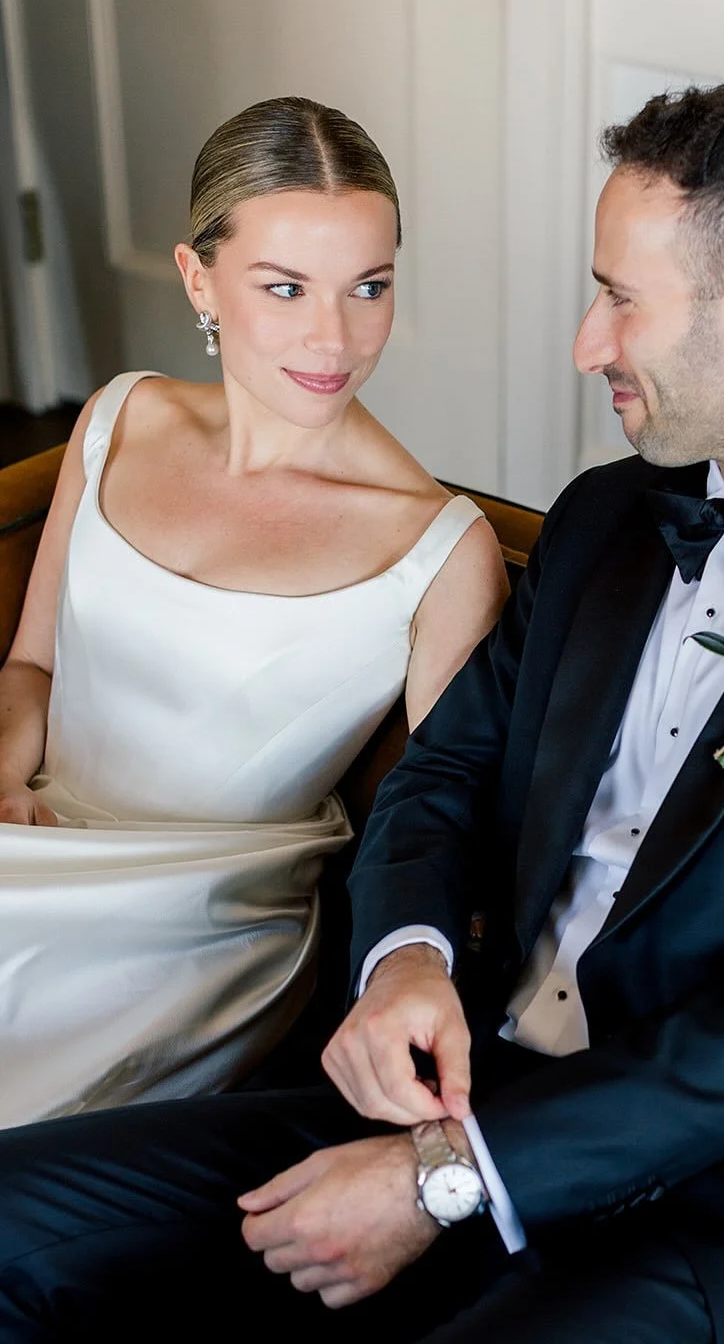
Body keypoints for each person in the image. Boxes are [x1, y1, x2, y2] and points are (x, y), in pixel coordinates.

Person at [1, 78, 724, 1343]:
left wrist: (446, 1180)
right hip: (458, 1097)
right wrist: (405, 960)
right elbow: (439, 777)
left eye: (618, 298)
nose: (586, 342)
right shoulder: (604, 520)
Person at [0, 96, 508, 1128]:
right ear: (199, 279)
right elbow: (33, 668)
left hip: (203, 934)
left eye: (369, 287)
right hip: (34, 845)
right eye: (285, 287)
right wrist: (5, 771)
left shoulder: (438, 550)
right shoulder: (118, 418)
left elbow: (448, 823)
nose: (335, 337)